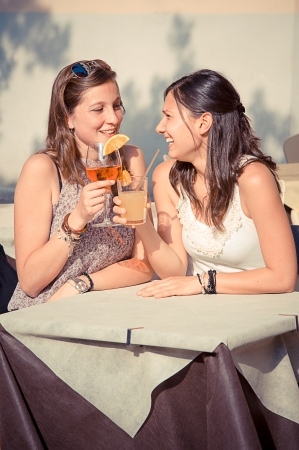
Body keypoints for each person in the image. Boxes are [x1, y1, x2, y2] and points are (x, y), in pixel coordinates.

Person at [113, 69, 297, 298]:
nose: (160, 128)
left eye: (168, 116)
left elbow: (283, 278)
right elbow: (175, 270)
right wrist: (142, 223)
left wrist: (203, 282)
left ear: (204, 123)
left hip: (261, 314)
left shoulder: (253, 178)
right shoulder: (166, 177)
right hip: (199, 313)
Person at [8, 59, 153, 311]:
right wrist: (77, 219)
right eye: (98, 109)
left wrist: (81, 283)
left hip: (106, 305)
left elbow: (143, 265)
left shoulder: (131, 159)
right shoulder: (42, 169)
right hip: (46, 313)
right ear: (68, 118)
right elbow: (30, 282)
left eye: (117, 105)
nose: (113, 118)